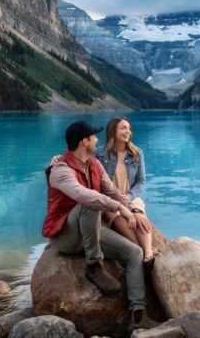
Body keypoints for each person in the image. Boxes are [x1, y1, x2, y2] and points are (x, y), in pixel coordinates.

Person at [42, 120, 158, 329]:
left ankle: (138, 315)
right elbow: (83, 195)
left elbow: (113, 191)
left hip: (91, 232)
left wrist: (131, 208)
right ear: (85, 141)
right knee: (90, 202)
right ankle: (94, 265)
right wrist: (118, 208)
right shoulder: (60, 170)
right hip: (66, 237)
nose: (97, 138)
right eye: (94, 136)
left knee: (135, 253)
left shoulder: (94, 165)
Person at [96, 116, 155, 263]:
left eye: (129, 128)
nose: (128, 131)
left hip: (131, 196)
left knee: (139, 215)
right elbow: (80, 160)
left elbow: (141, 180)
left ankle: (148, 254)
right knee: (117, 217)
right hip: (110, 199)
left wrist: (129, 197)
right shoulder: (99, 153)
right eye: (123, 128)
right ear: (112, 131)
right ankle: (139, 251)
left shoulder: (137, 153)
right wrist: (59, 158)